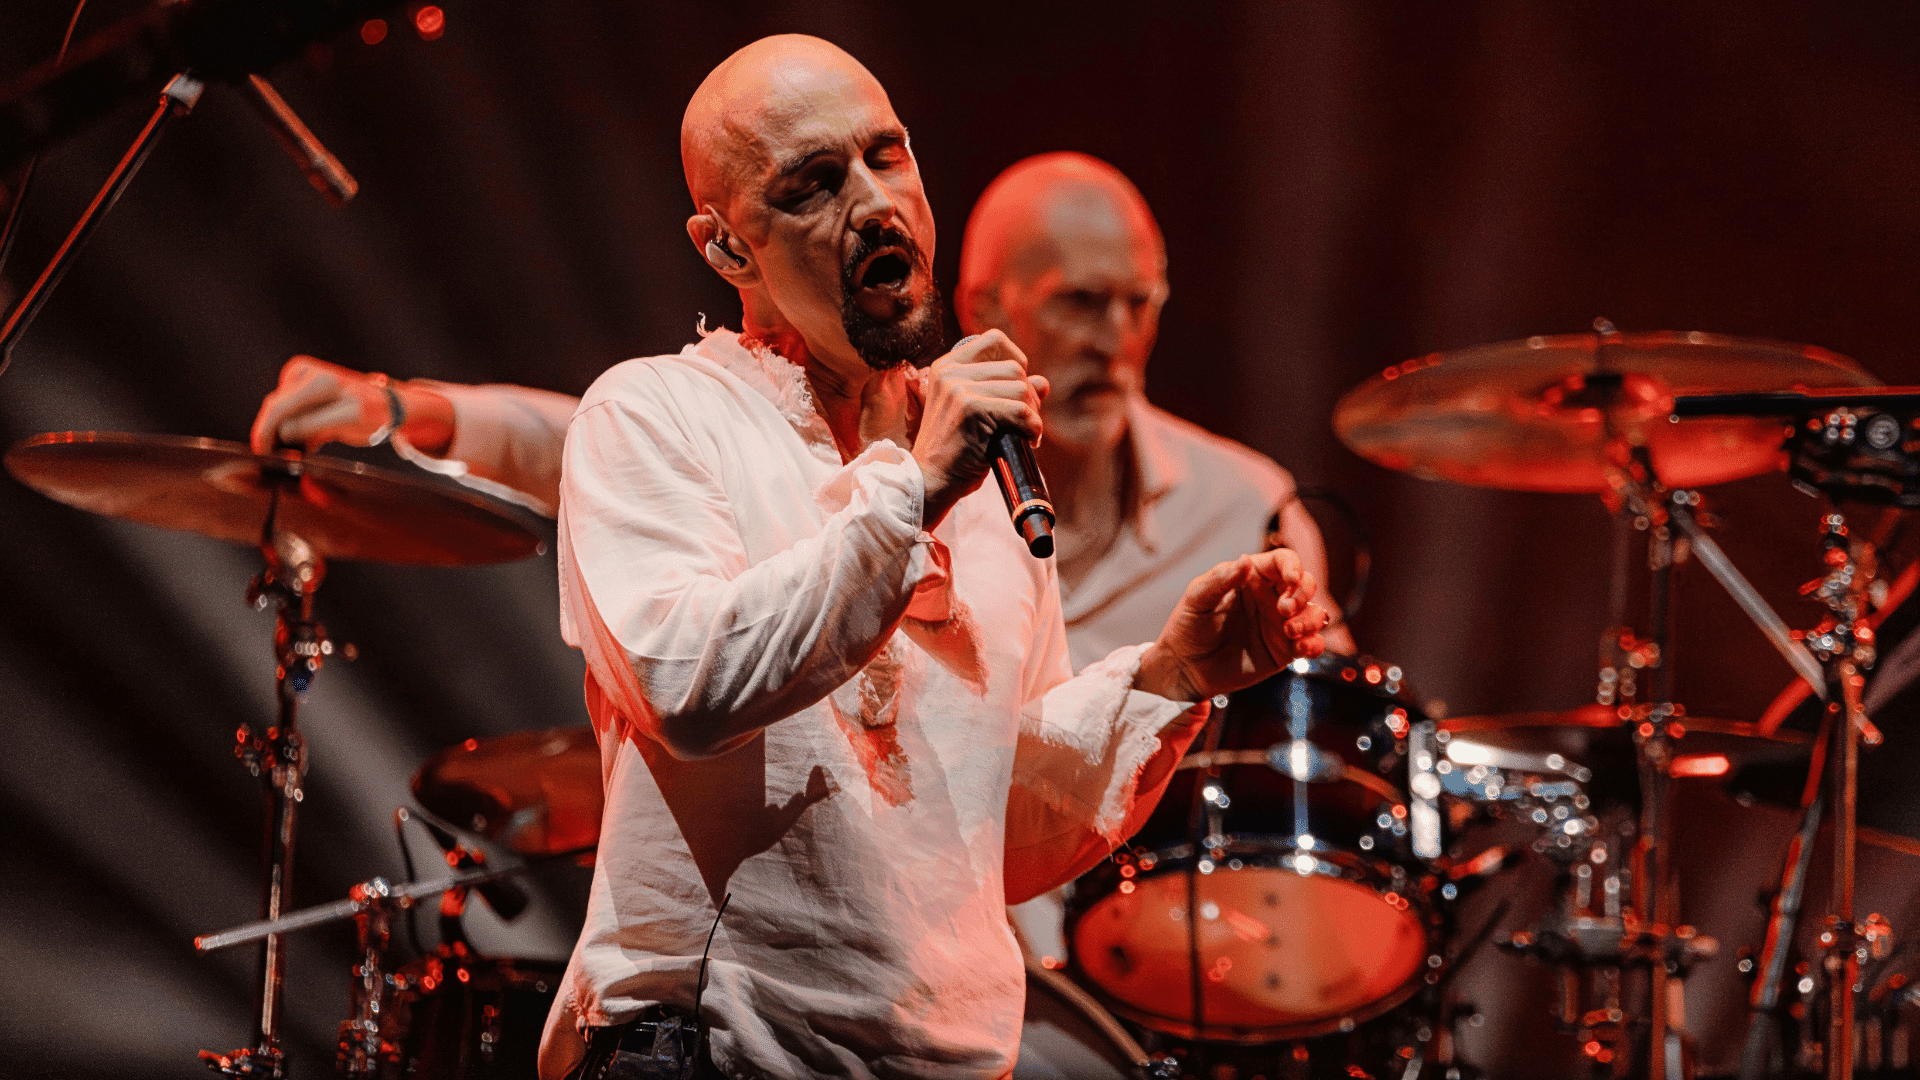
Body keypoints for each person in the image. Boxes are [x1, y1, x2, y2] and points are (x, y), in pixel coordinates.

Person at [531, 34, 1326, 1080]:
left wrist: (1168, 681)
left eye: (887, 155)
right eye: (813, 184)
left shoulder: (987, 476)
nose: (874, 201)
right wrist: (912, 489)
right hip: (711, 1048)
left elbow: (999, 825)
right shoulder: (657, 415)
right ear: (728, 248)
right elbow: (689, 684)